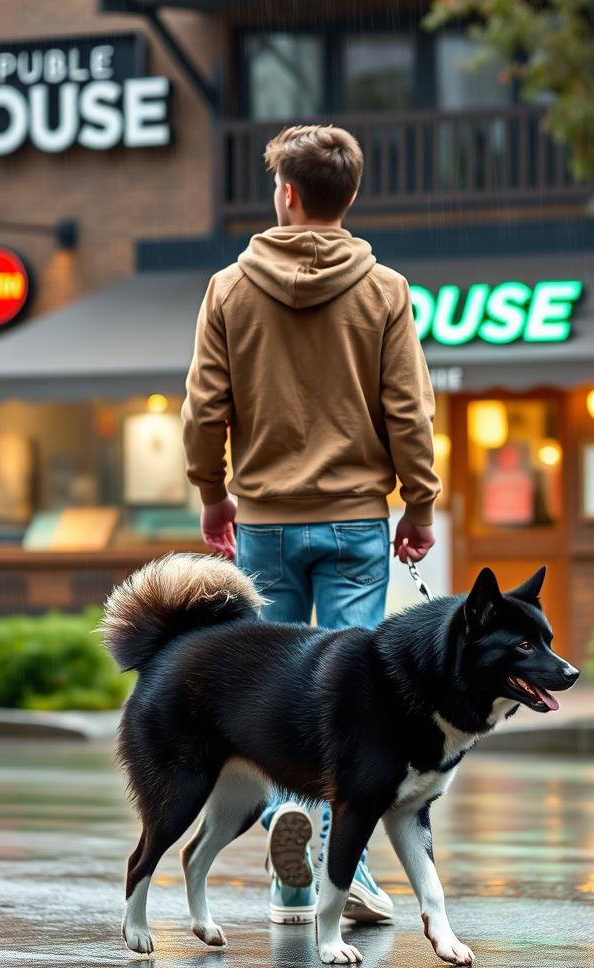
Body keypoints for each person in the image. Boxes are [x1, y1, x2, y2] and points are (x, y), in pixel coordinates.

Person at [182, 124, 441, 927]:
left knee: (283, 689)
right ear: (349, 197)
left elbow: (204, 409)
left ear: (285, 194)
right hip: (357, 522)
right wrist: (419, 501)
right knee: (351, 697)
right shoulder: (384, 290)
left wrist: (212, 492)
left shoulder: (229, 287)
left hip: (262, 523)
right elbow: (409, 409)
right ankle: (339, 863)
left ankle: (294, 867)